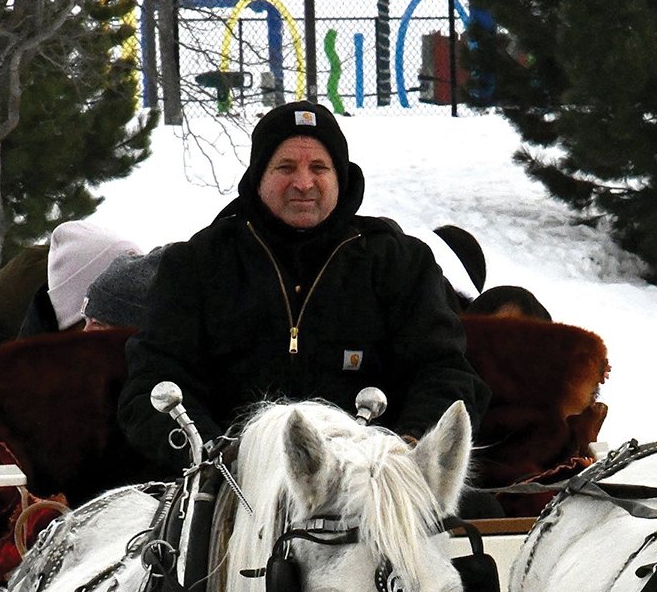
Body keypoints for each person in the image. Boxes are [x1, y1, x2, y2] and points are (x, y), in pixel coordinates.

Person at [117, 102, 490, 474]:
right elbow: (155, 382)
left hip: (370, 488)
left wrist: (408, 450)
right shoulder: (196, 265)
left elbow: (444, 374)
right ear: (258, 176)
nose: (303, 183)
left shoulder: (398, 263)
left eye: (318, 167)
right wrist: (215, 459)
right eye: (285, 167)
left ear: (340, 176)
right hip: (230, 488)